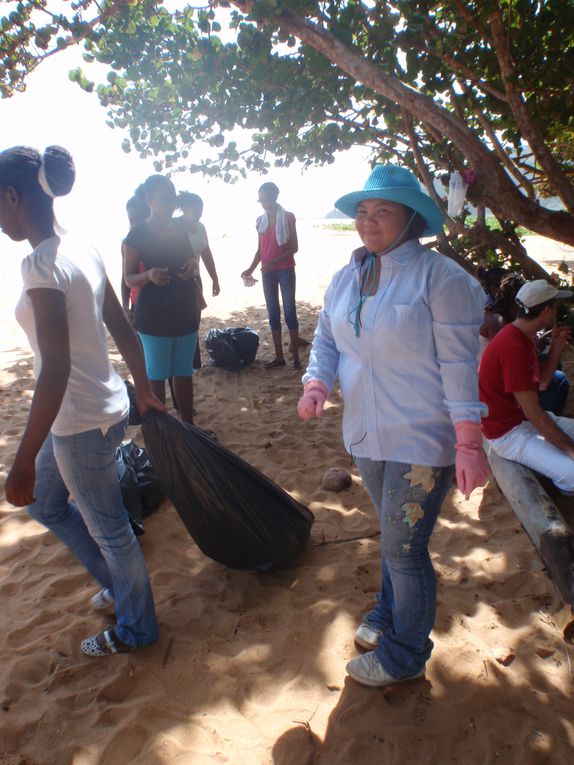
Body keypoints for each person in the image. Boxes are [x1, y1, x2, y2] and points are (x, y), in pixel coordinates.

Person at [297, 165, 489, 688]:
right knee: (393, 538)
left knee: (405, 550)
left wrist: (469, 443)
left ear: (410, 220)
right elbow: (328, 341)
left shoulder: (440, 278)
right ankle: (387, 611)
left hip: (422, 438)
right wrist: (318, 384)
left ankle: (405, 656)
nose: (368, 221)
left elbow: (459, 365)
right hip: (366, 432)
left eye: (382, 211)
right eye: (363, 211)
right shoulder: (348, 276)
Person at [0, 145, 164, 656]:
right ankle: (120, 587)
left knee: (113, 531)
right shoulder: (82, 246)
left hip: (78, 421)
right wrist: (146, 391)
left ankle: (137, 628)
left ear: (11, 196)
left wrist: (22, 459)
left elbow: (55, 369)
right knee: (49, 505)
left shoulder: (40, 265)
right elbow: (124, 330)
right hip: (104, 408)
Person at [479, 279, 574, 494]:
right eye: (556, 305)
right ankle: (555, 487)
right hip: (509, 434)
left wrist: (555, 349)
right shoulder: (513, 346)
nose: (558, 310)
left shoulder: (521, 335)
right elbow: (534, 413)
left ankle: (552, 467)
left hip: (520, 422)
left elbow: (544, 382)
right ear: (546, 310)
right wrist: (570, 450)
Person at [123, 175, 200, 425]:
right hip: (154, 317)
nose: (170, 205)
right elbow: (128, 278)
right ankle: (164, 432)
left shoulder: (180, 228)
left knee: (183, 373)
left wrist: (192, 267)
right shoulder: (137, 234)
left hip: (185, 310)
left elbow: (191, 259)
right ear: (149, 200)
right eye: (164, 199)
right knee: (156, 376)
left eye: (173, 199)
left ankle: (189, 428)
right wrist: (148, 275)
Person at [480, 272, 570, 415]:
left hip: (507, 385)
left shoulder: (518, 327)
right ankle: (546, 417)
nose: (556, 312)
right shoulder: (500, 326)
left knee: (554, 372)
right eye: (555, 307)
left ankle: (548, 417)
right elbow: (514, 358)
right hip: (501, 398)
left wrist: (554, 344)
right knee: (556, 380)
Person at [241, 181, 301, 369]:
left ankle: (296, 358)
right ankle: (279, 357)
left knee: (290, 312)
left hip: (285, 269)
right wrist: (250, 269)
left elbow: (294, 247)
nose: (265, 203)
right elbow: (260, 251)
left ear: (276, 196)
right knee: (273, 313)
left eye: (267, 199)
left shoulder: (289, 217)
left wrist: (274, 262)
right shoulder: (260, 221)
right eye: (261, 201)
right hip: (267, 272)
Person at [121, 194, 149, 322]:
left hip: (159, 303)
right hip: (137, 304)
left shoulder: (161, 243)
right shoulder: (127, 244)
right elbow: (125, 277)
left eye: (139, 219)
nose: (134, 224)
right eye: (131, 220)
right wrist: (125, 307)